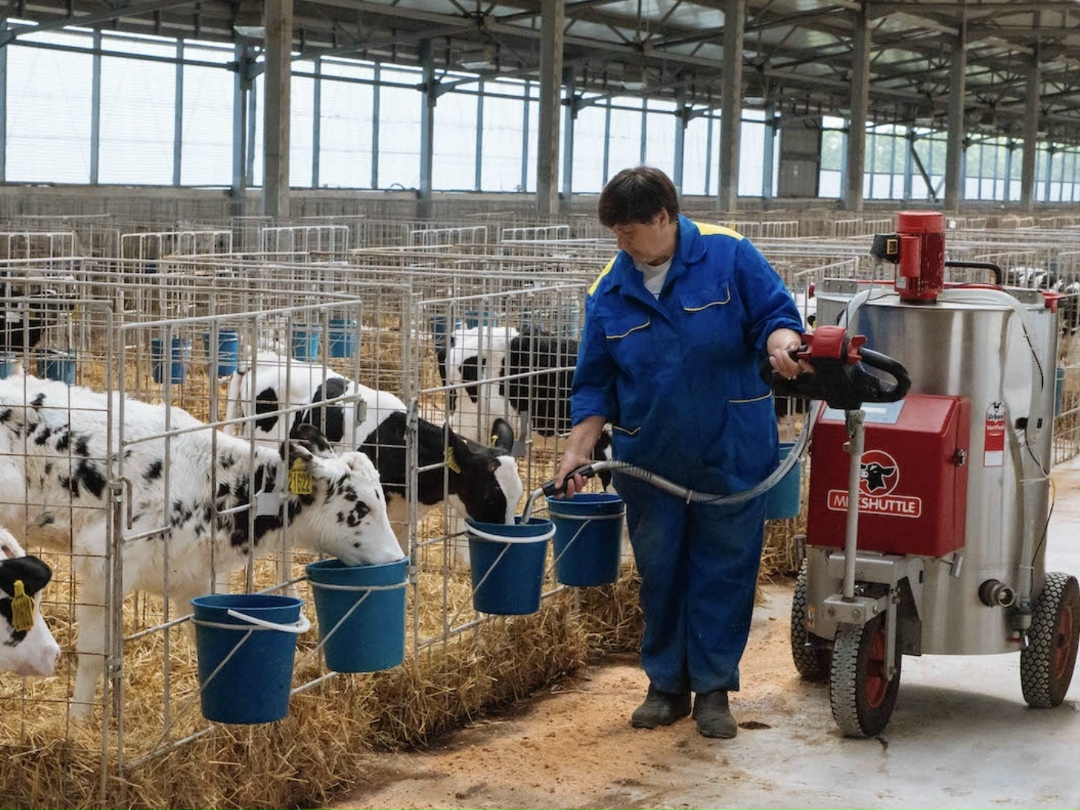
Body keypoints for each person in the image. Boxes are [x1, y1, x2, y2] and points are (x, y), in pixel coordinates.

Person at [554, 166, 806, 739]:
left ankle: (714, 689)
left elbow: (775, 317)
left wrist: (783, 344)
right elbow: (594, 383)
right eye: (614, 232)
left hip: (731, 449)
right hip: (651, 459)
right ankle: (666, 684)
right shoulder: (609, 290)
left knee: (725, 568)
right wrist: (576, 450)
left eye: (628, 230)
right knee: (660, 571)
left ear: (664, 217)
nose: (620, 242)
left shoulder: (730, 255)